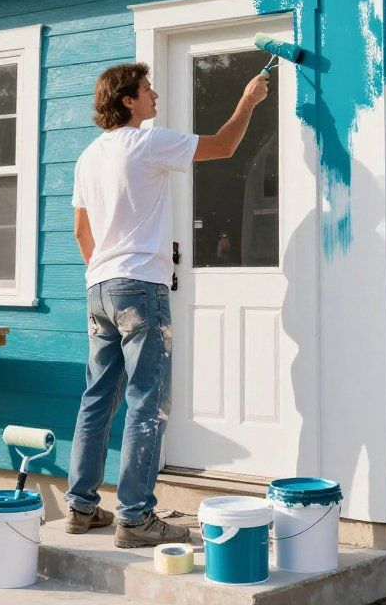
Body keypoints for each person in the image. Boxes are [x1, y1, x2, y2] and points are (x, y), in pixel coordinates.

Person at [65, 61, 269, 547]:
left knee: (97, 400)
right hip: (139, 288)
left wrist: (104, 272)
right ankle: (135, 518)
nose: (155, 95)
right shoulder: (147, 142)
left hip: (99, 288)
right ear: (127, 100)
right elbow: (223, 146)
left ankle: (80, 508)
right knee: (146, 401)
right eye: (147, 90)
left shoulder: (88, 157)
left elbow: (80, 231)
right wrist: (248, 101)